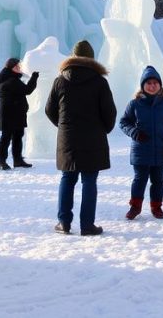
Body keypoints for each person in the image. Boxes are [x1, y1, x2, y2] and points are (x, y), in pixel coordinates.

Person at [46, 40, 116, 236]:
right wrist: (103, 130)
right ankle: (87, 225)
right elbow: (109, 113)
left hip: (67, 138)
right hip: (93, 139)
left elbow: (49, 110)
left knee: (67, 178)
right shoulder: (100, 82)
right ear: (91, 58)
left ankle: (64, 223)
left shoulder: (60, 80)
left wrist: (63, 127)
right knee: (89, 181)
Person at [119, 66, 163, 220]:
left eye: (155, 83)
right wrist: (134, 132)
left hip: (160, 150)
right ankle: (135, 206)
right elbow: (124, 122)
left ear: (160, 85)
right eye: (149, 83)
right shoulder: (135, 104)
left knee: (158, 181)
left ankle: (156, 207)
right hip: (140, 151)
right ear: (142, 86)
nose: (152, 86)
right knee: (140, 180)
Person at [0, 58, 39, 171]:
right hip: (10, 113)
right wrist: (34, 77)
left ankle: (17, 160)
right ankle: (1, 161)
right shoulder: (10, 80)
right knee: (6, 138)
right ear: (11, 67)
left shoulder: (10, 77)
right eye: (17, 66)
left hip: (15, 113)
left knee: (17, 137)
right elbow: (27, 90)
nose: (19, 68)